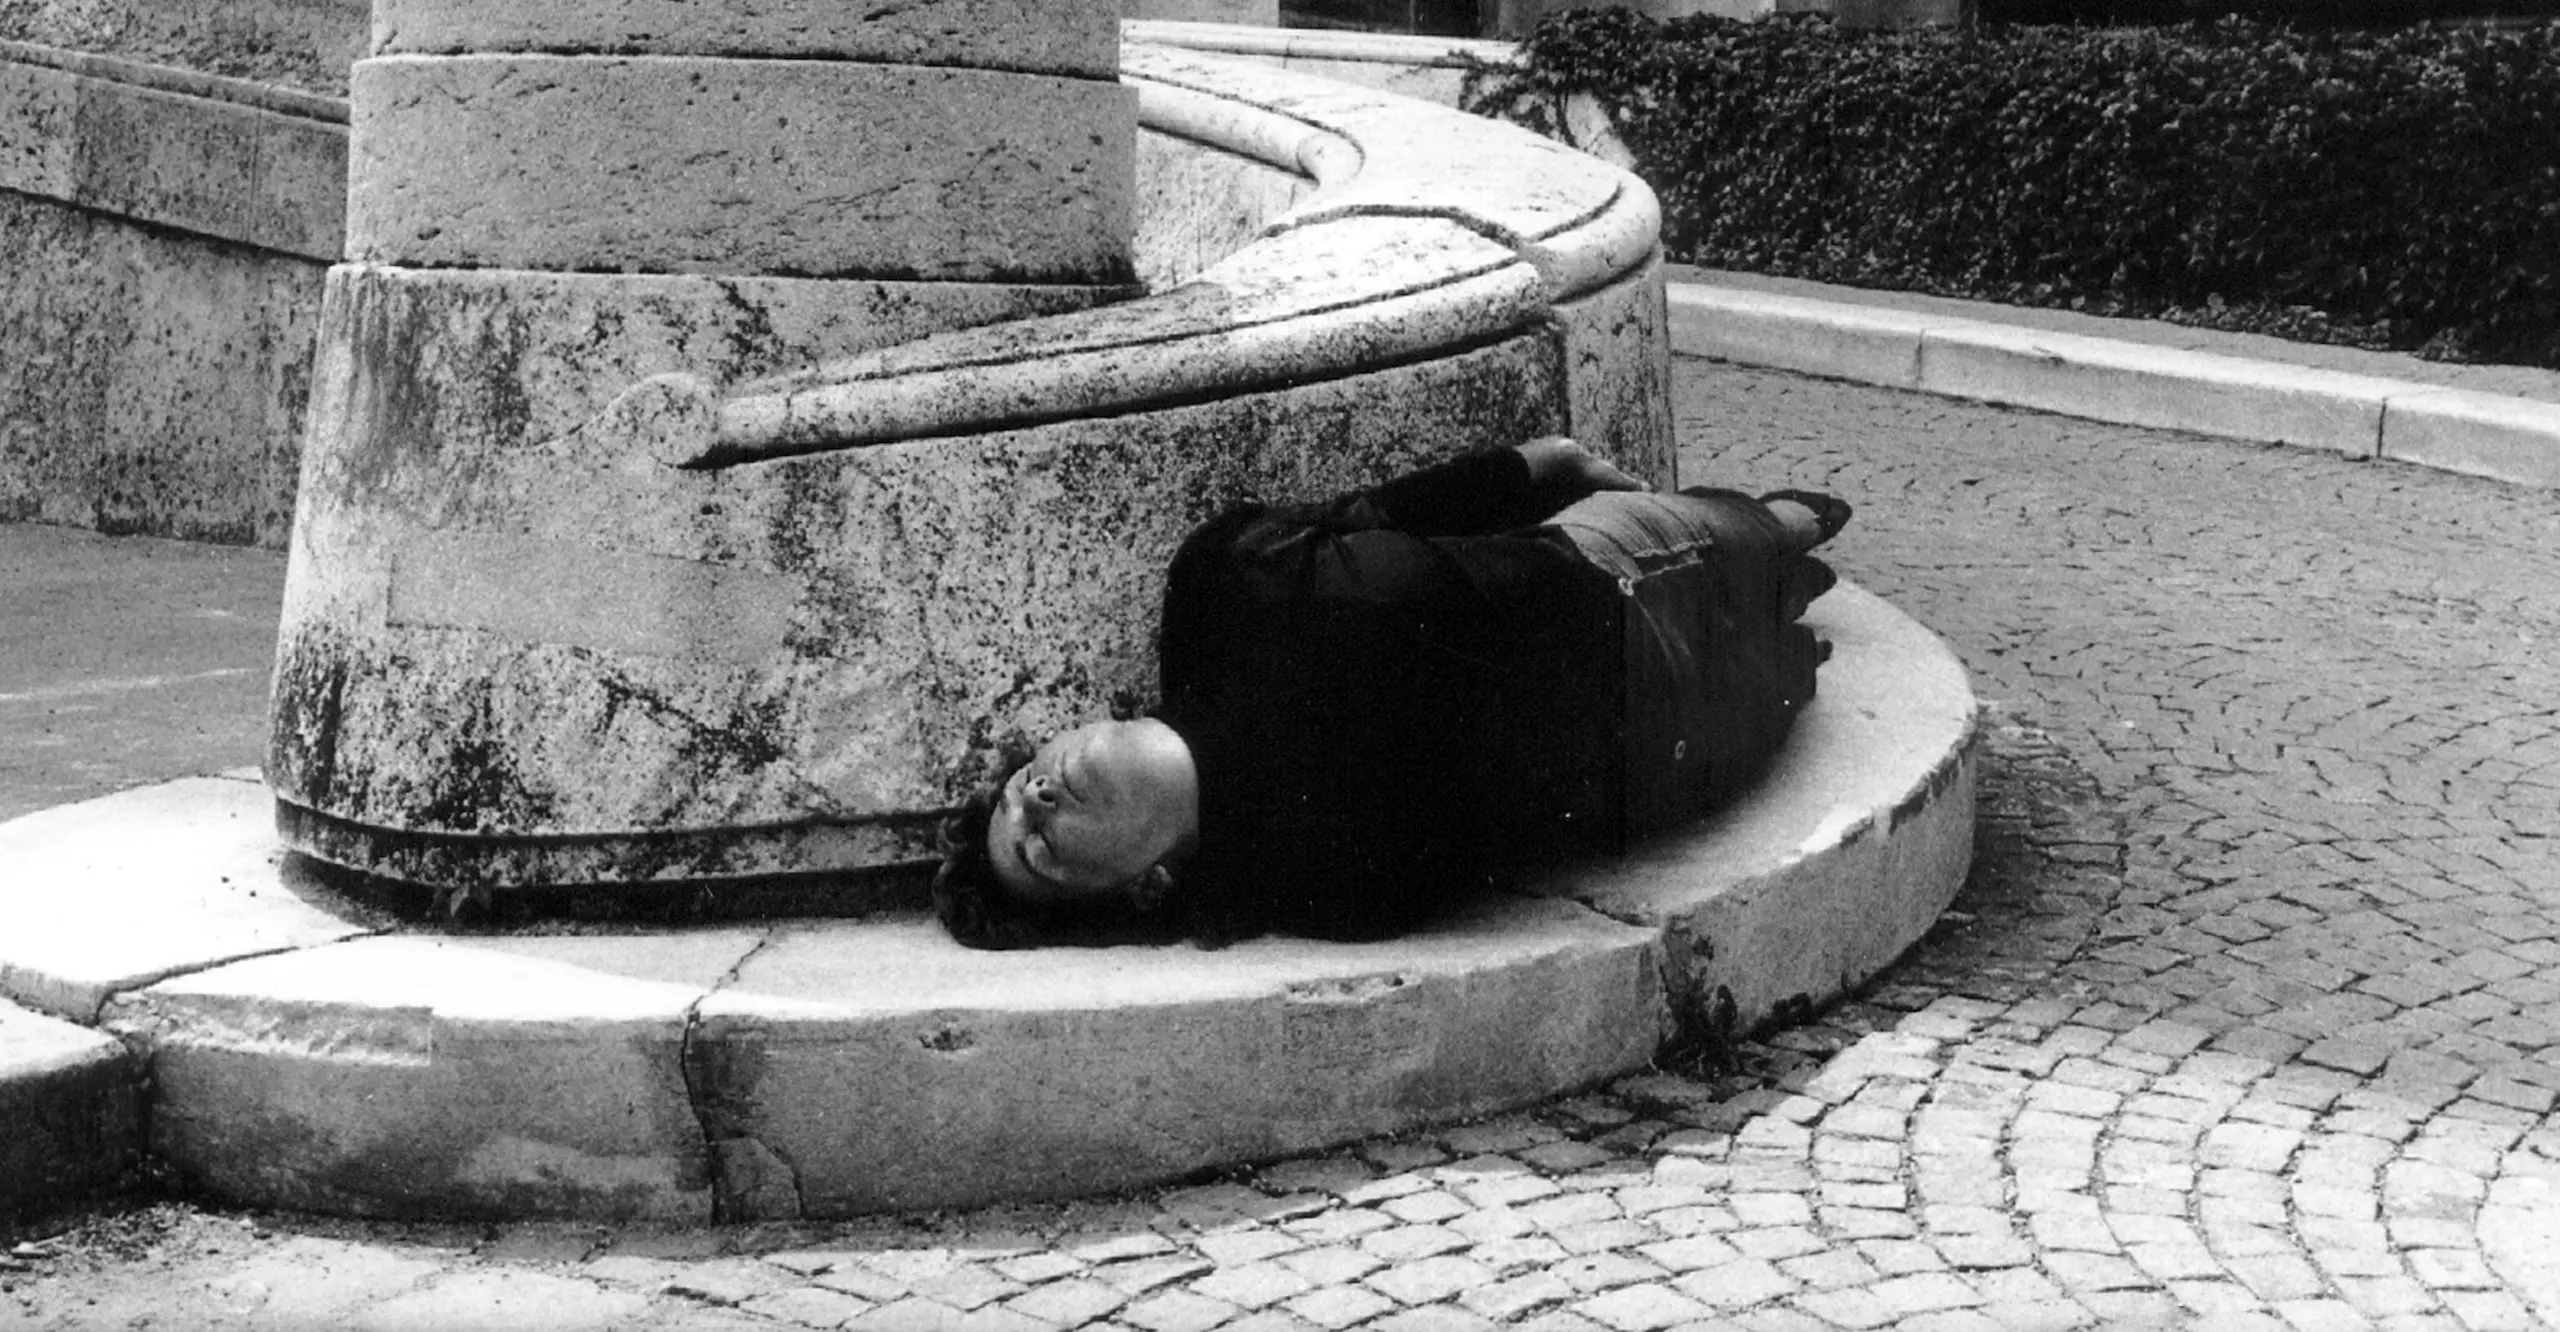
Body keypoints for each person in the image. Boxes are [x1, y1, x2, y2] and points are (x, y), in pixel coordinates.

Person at [934, 437, 1849, 949]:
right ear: (1145, 887)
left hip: (1614, 561)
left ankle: (1773, 533)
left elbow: (1374, 514)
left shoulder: (1214, 588)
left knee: (1785, 529)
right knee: (1800, 643)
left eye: (1021, 791)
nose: (1037, 803)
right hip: (1664, 738)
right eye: (1042, 851)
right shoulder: (1325, 889)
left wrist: (1534, 467)